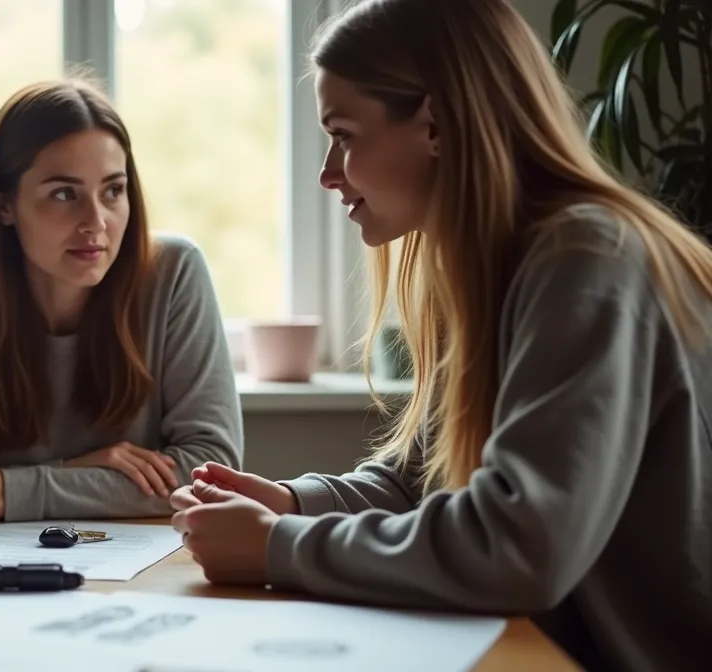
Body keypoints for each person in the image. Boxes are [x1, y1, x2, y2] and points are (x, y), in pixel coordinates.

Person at [169, 1, 710, 670]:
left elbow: (518, 548)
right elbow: (420, 482)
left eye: (344, 134)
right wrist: (287, 502)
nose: (329, 172)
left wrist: (280, 545)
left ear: (434, 124)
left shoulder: (587, 260)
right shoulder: (494, 263)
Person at [0, 78, 243, 524]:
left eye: (113, 191)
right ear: (4, 205)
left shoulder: (175, 273)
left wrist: (3, 490)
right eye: (64, 194)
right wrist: (76, 470)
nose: (96, 222)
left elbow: (211, 475)